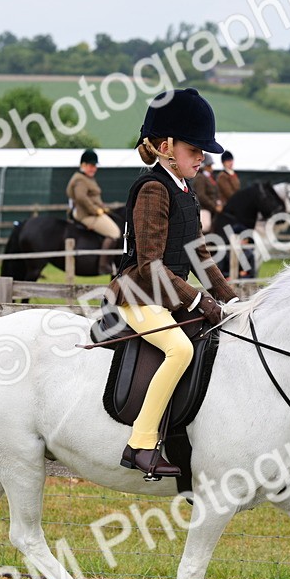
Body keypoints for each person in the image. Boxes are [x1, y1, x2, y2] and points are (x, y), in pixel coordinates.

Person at [107, 88, 238, 479]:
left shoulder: (184, 190)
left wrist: (231, 300)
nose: (203, 156)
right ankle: (141, 443)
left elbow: (199, 254)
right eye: (195, 148)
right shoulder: (153, 189)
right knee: (179, 349)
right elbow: (150, 265)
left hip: (166, 295)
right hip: (138, 294)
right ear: (166, 146)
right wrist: (197, 301)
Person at [66, 149, 120, 274]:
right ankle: (104, 265)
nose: (94, 168)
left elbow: (93, 197)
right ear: (83, 165)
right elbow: (81, 198)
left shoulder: (86, 177)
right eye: (91, 166)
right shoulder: (80, 180)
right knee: (114, 232)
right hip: (87, 214)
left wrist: (103, 207)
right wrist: (97, 211)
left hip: (89, 212)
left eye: (94, 166)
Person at [193, 154, 220, 233]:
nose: (211, 167)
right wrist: (214, 206)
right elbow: (201, 196)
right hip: (204, 209)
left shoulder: (210, 177)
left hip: (212, 209)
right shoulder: (200, 178)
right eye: (209, 165)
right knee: (206, 229)